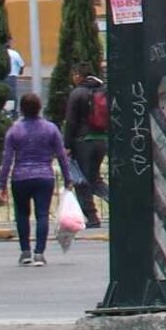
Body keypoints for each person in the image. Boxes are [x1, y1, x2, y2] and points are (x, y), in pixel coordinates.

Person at [0, 90, 75, 267]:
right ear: (39, 108)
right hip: (44, 176)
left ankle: (25, 251)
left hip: (20, 177)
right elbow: (62, 156)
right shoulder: (51, 129)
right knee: (42, 215)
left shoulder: (14, 131)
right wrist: (67, 178)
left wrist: (1, 184)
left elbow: (8, 159)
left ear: (22, 109)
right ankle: (39, 252)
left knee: (22, 214)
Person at [60, 64, 108, 230]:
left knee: (81, 180)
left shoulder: (77, 93)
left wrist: (66, 145)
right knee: (94, 179)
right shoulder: (103, 90)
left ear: (78, 75)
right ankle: (120, 205)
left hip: (83, 141)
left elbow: (71, 121)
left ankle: (92, 217)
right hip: (102, 140)